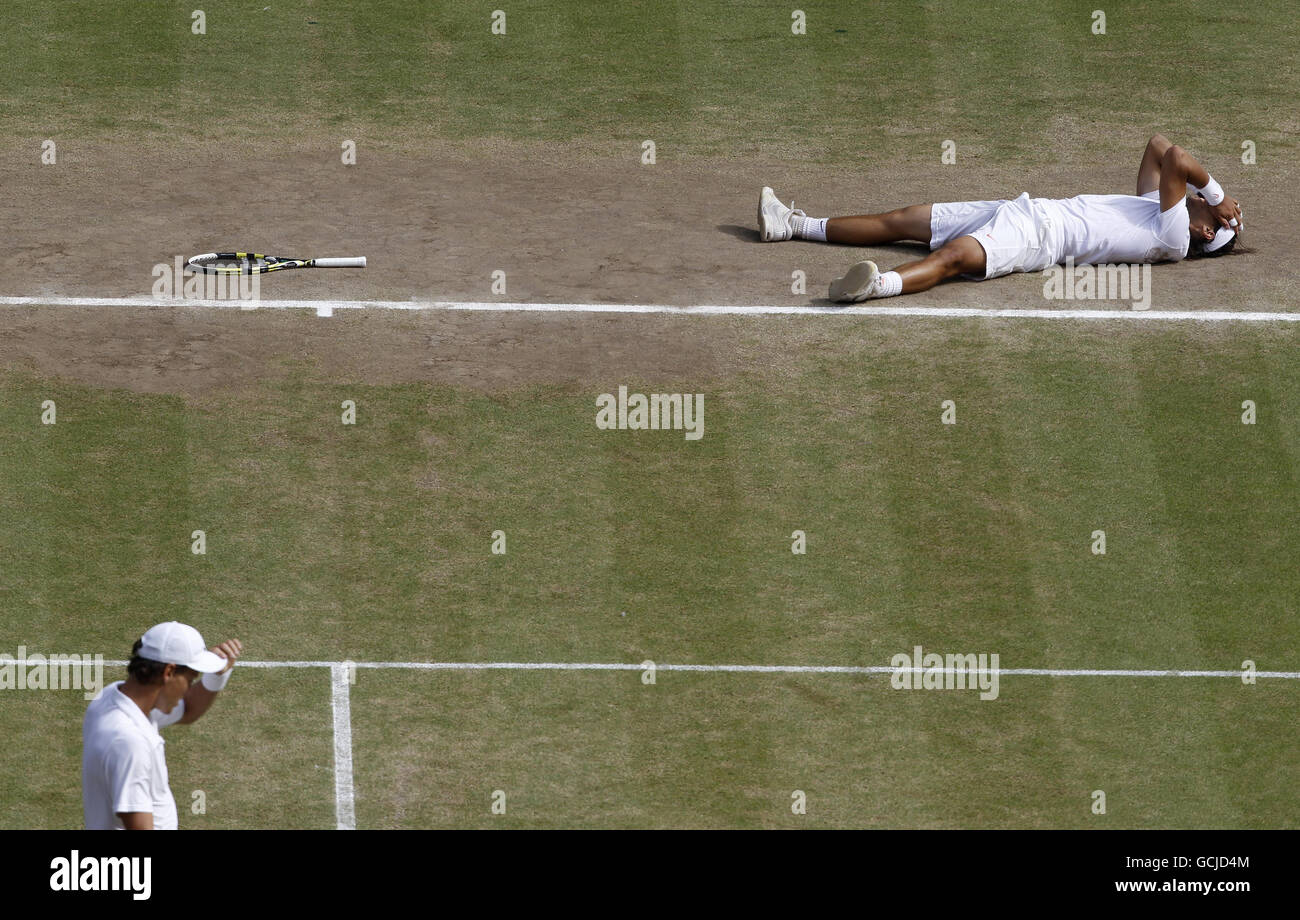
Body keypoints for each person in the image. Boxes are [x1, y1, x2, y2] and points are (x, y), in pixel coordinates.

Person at [757, 134, 1244, 302]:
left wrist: (1217, 193)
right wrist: (1212, 199)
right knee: (904, 220)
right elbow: (1159, 146)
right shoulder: (1157, 211)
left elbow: (1179, 157)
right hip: (1023, 209)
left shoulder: (1176, 235)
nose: (1202, 201)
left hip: (1038, 238)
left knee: (953, 257)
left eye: (1211, 213)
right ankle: (794, 225)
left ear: (1204, 230)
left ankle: (875, 286)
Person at [82, 622, 243, 830]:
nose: (188, 691)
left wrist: (217, 675)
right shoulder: (129, 743)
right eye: (190, 680)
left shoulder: (112, 699)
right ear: (168, 672)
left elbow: (189, 709)